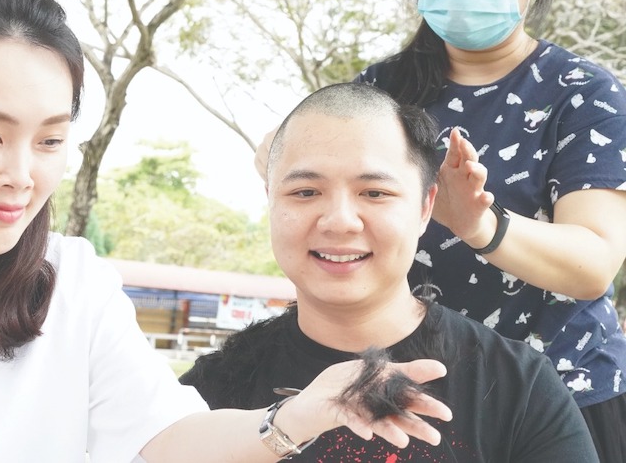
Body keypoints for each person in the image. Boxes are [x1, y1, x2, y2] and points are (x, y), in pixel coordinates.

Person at [0, 0, 455, 462]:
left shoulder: (71, 285)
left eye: (49, 141)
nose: (21, 175)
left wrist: (300, 415)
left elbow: (169, 434)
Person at [254, 0, 626, 460]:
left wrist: (480, 224)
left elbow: (593, 263)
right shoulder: (377, 93)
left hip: (565, 397)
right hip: (400, 394)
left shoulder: (583, 94)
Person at [184, 82, 599, 461]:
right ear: (271, 200)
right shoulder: (205, 394)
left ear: (424, 208)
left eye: (375, 193)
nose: (340, 221)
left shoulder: (518, 385)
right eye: (305, 192)